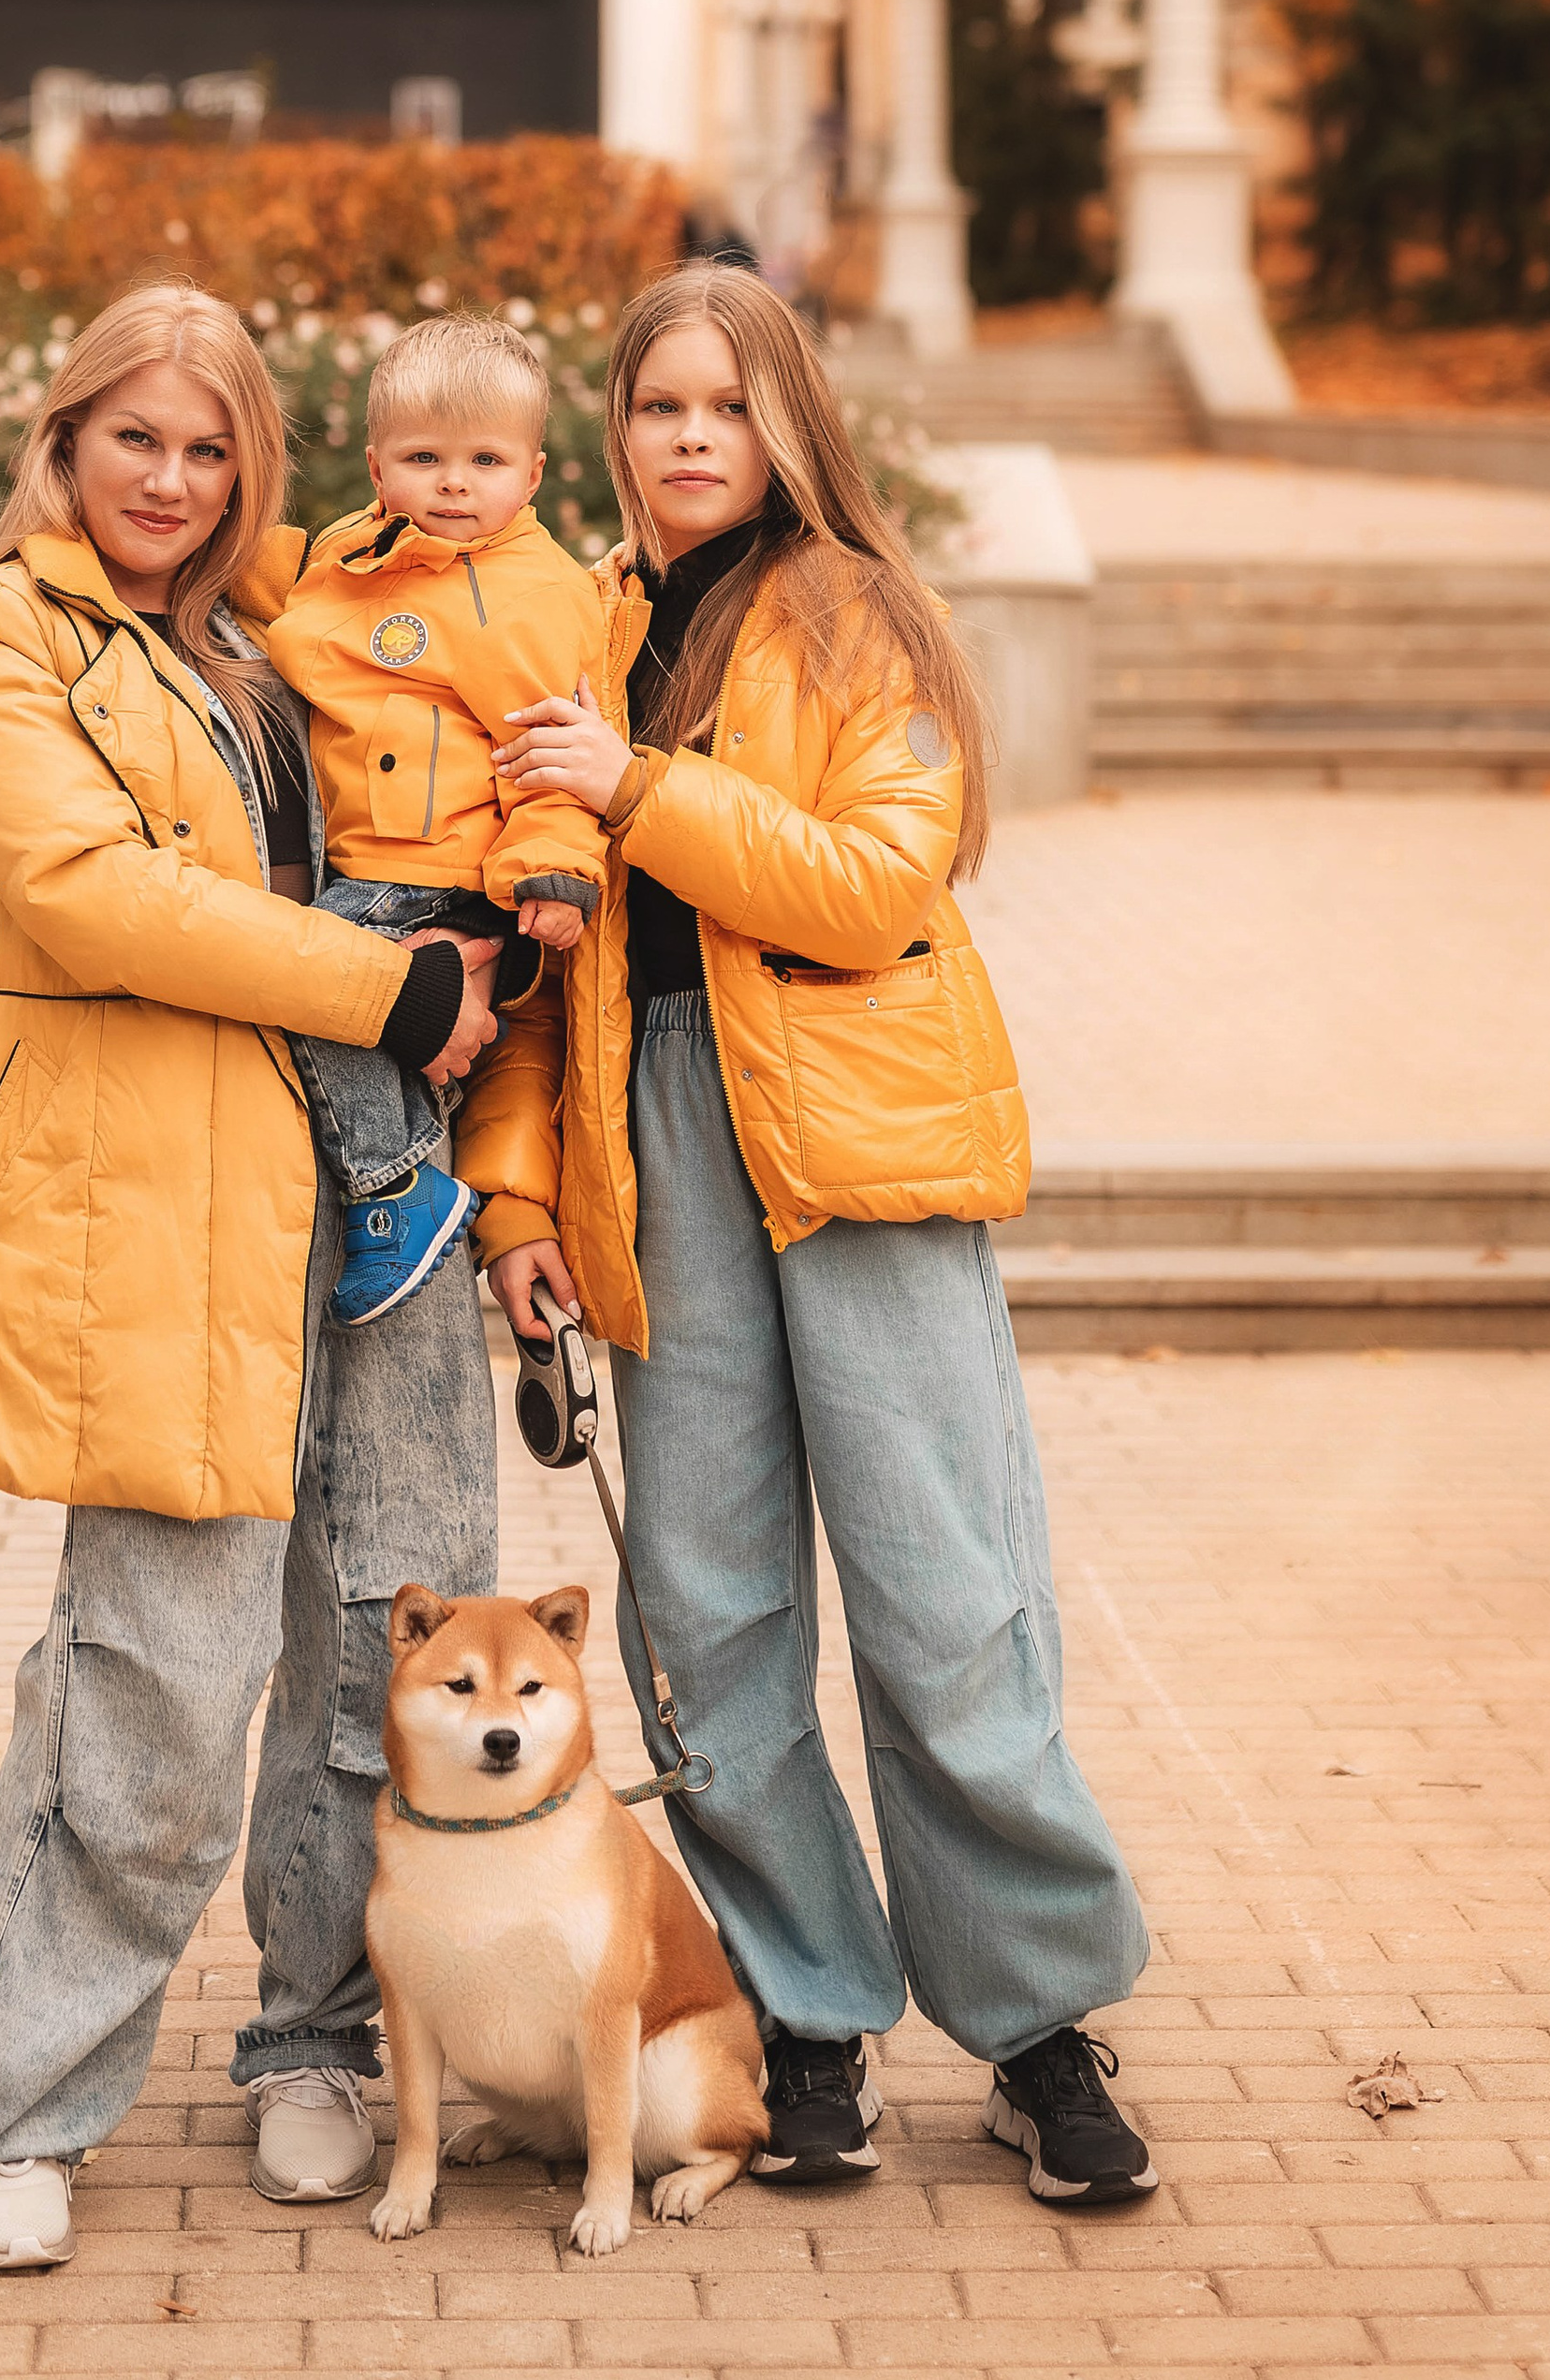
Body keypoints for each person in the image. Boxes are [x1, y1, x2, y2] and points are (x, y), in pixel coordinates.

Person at [460, 262, 1156, 2208]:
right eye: (656, 404)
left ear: (787, 424)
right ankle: (809, 2013)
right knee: (707, 1620)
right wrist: (514, 1190)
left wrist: (638, 789)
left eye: (725, 405)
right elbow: (528, 955)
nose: (689, 439)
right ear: (616, 428)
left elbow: (869, 887)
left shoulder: (860, 614)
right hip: (647, 1137)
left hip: (852, 1143)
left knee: (943, 1604)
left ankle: (1031, 2030)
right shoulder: (570, 622)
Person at [0, 283, 506, 2273]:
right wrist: (398, 987)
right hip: (142, 1208)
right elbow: (91, 897)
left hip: (368, 1205)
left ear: (252, 474)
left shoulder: (267, 650)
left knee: (367, 1646)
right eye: (134, 435)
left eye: (211, 444)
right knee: (152, 1674)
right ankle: (24, 2108)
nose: (170, 475)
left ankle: (314, 2043)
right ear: (62, 442)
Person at [257, 312, 608, 1322]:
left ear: (533, 474)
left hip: (454, 869)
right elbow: (283, 599)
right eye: (424, 457)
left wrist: (555, 874)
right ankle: (400, 1179)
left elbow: (554, 750)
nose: (455, 483)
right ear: (377, 467)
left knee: (312, 969)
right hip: (364, 863)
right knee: (334, 989)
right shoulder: (353, 553)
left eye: (484, 459)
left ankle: (395, 1187)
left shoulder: (529, 596)